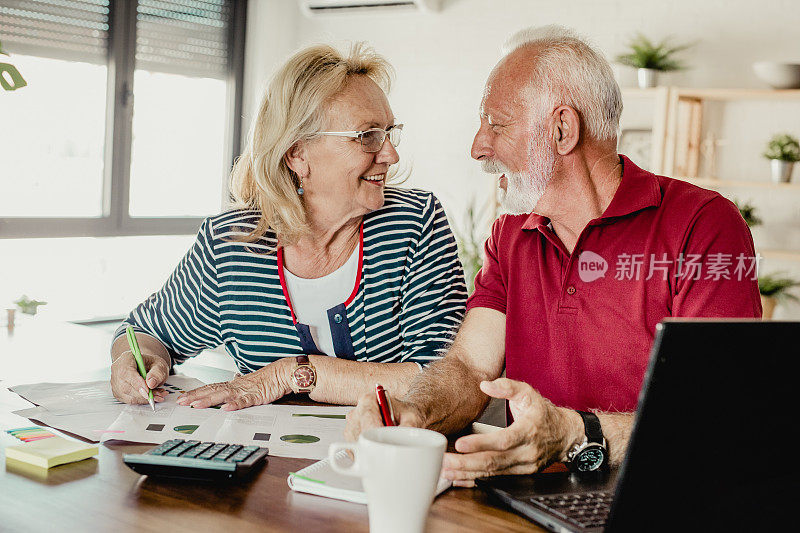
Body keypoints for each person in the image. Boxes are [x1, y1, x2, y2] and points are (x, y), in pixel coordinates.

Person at [344, 26, 761, 486]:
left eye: (496, 124)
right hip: (526, 498)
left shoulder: (703, 225)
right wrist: (415, 413)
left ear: (562, 130)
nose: (478, 148)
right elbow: (471, 365)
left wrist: (573, 435)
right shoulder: (510, 234)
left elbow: (716, 416)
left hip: (659, 499)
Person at [109, 43, 467, 410]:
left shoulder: (415, 222)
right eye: (368, 136)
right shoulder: (230, 245)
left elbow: (441, 376)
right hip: (266, 463)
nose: (391, 154)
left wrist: (287, 374)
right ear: (297, 153)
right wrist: (136, 361)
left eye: (389, 132)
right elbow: (144, 332)